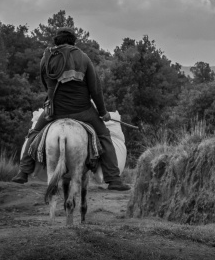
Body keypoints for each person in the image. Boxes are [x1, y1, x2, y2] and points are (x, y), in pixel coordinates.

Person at [11, 27, 130, 191]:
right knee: (104, 135)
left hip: (54, 110)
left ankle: (23, 173)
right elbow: (95, 89)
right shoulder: (83, 58)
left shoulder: (46, 58)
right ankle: (113, 179)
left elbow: (46, 85)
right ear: (74, 42)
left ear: (56, 42)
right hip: (83, 111)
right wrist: (103, 113)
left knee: (34, 133)